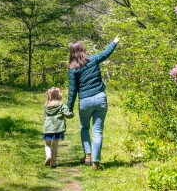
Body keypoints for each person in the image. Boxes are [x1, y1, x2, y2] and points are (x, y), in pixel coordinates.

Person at [67, 35, 120, 170]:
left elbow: (72, 90)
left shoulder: (73, 69)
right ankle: (96, 162)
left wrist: (69, 108)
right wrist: (114, 42)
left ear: (72, 53)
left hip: (85, 101)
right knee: (97, 131)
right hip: (100, 98)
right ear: (83, 50)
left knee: (84, 128)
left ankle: (87, 155)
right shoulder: (93, 59)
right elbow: (105, 53)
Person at [42, 87, 74, 168]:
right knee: (55, 146)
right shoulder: (61, 105)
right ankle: (53, 163)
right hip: (58, 129)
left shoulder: (47, 106)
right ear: (58, 96)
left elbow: (45, 117)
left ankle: (48, 155)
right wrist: (72, 114)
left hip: (48, 129)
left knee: (47, 144)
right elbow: (67, 114)